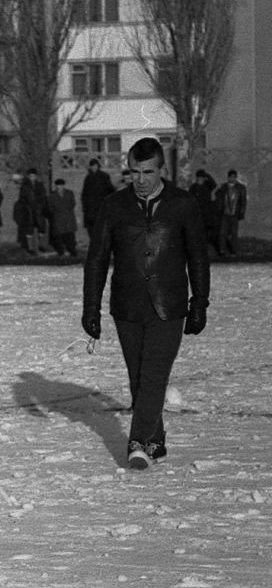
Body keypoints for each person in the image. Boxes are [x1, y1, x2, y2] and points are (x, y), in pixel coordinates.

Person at [82, 136, 209, 470]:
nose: (140, 179)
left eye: (147, 172)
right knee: (138, 377)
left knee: (153, 374)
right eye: (134, 171)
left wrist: (200, 303)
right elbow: (97, 259)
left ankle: (138, 442)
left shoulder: (183, 204)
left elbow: (198, 257)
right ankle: (157, 441)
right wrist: (90, 308)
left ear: (162, 169)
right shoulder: (113, 205)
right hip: (126, 305)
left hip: (169, 305)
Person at [215, 169, 247, 257]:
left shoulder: (240, 188)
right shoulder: (224, 187)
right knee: (223, 232)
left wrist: (241, 212)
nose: (232, 178)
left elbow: (243, 201)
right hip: (225, 213)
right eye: (231, 177)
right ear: (228, 177)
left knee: (234, 233)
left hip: (234, 213)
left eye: (234, 177)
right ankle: (222, 250)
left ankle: (233, 250)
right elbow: (219, 198)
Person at [188, 169, 220, 254]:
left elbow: (214, 185)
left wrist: (207, 175)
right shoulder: (193, 188)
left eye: (202, 178)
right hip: (197, 213)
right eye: (199, 178)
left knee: (207, 232)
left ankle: (205, 248)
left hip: (207, 214)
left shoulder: (207, 186)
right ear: (197, 178)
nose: (200, 179)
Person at [80, 158, 113, 235]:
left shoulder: (104, 176)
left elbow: (110, 190)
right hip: (90, 208)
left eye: (95, 166)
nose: (94, 167)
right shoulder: (88, 178)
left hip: (101, 207)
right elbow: (84, 193)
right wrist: (84, 205)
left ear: (98, 166)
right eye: (92, 166)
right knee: (91, 229)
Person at [47, 178, 78, 258]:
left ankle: (72, 251)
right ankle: (61, 251)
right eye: (57, 185)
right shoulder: (53, 195)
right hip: (58, 218)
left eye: (60, 185)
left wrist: (67, 210)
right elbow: (50, 207)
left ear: (63, 186)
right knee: (59, 236)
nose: (59, 187)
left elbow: (72, 203)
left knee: (70, 236)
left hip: (68, 218)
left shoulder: (69, 193)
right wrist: (56, 212)